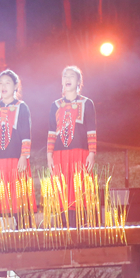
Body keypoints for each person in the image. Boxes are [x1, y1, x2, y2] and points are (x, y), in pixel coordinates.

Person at [0, 69, 32, 224]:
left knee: (17, 198)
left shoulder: (22, 107)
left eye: (7, 83)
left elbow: (26, 134)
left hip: (16, 160)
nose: (3, 86)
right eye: (0, 83)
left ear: (15, 86)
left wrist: (23, 156)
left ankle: (20, 231)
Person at [46, 65, 97, 211]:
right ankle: (63, 223)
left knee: (80, 190)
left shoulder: (87, 103)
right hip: (59, 154)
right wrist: (49, 155)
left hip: (80, 153)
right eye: (65, 76)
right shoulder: (55, 105)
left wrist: (92, 153)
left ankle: (80, 223)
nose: (67, 79)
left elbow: (91, 130)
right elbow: (51, 132)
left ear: (79, 81)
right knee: (61, 191)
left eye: (71, 76)